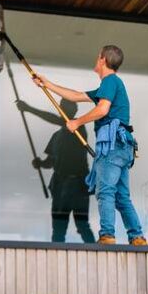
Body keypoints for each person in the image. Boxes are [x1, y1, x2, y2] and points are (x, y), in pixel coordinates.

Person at [32, 45, 148, 246]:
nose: (96, 59)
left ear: (103, 59)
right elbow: (76, 96)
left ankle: (107, 236)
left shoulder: (110, 81)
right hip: (123, 147)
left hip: (111, 145)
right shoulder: (109, 86)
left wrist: (77, 122)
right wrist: (47, 84)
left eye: (98, 57)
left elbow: (103, 110)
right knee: (121, 195)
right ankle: (137, 237)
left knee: (105, 191)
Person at [16, 98, 96, 244]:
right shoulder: (56, 137)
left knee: (82, 225)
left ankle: (96, 256)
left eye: (69, 106)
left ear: (75, 110)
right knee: (59, 228)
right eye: (63, 107)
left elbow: (55, 120)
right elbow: (50, 162)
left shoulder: (79, 127)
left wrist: (30, 109)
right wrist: (40, 163)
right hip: (60, 186)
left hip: (78, 186)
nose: (65, 110)